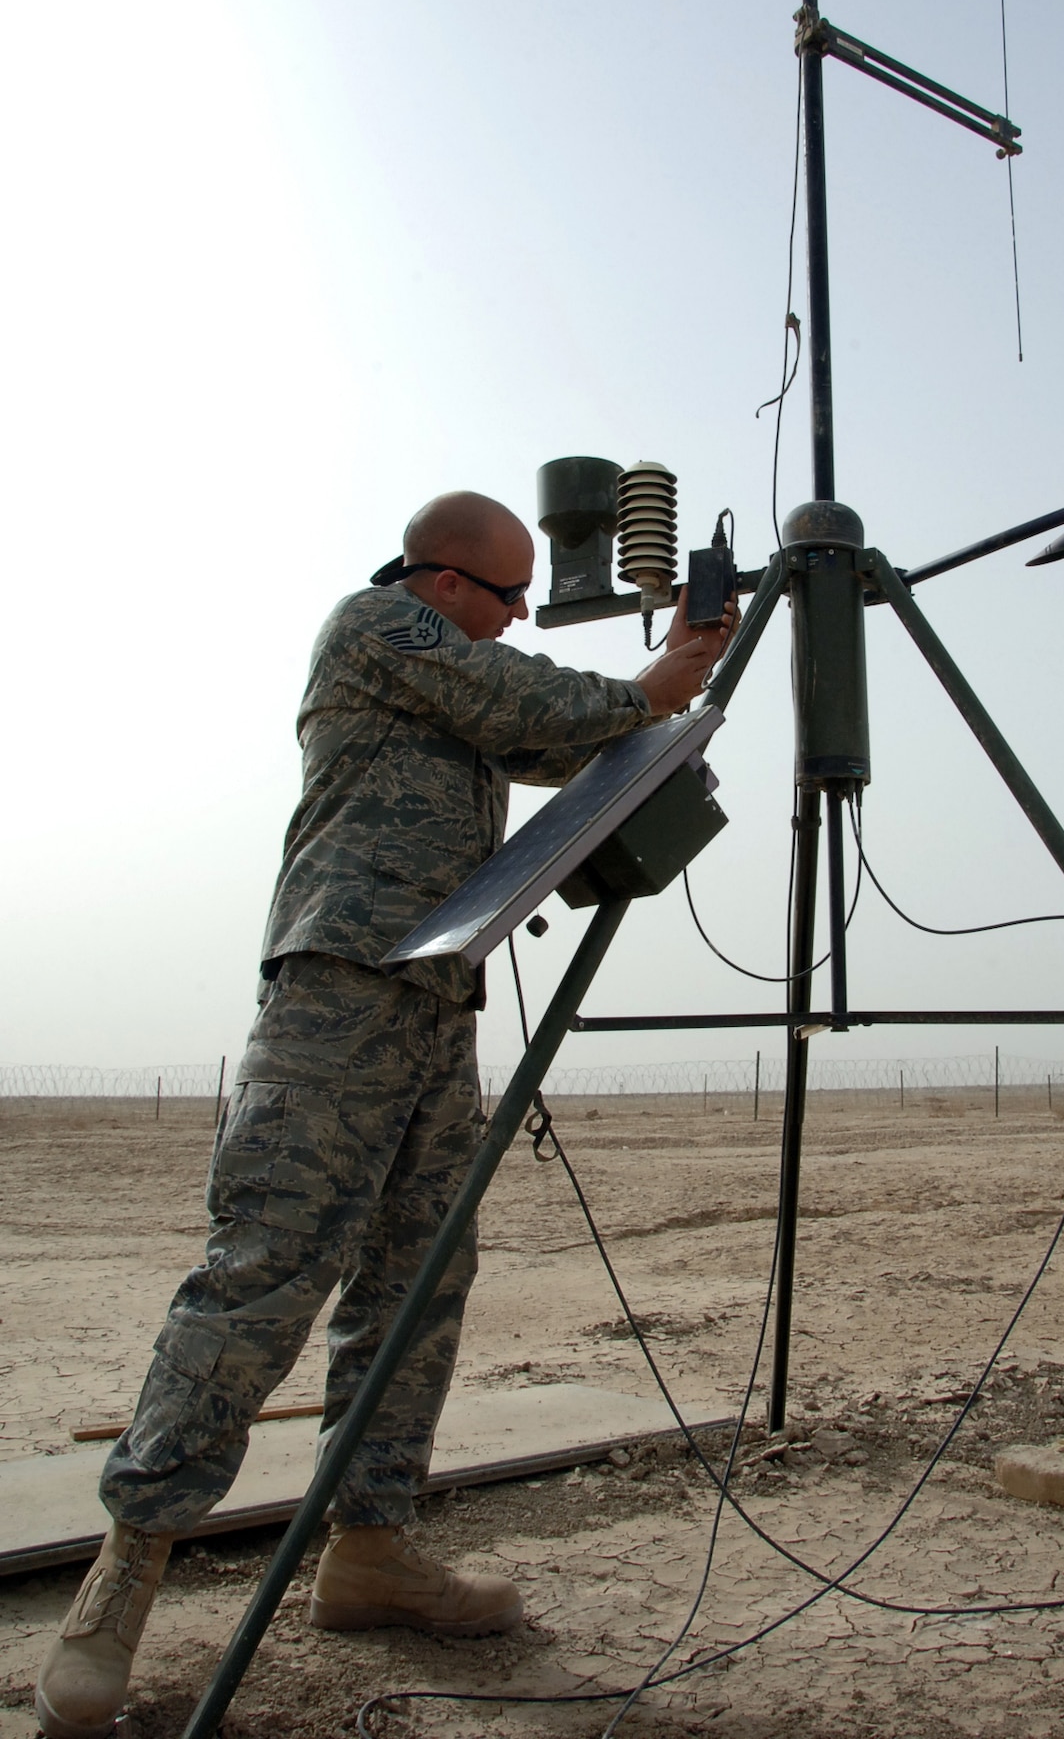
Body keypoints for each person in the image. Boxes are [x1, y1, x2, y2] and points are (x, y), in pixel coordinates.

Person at [36, 491, 732, 1739]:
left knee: (415, 1279)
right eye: (508, 597)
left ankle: (370, 1547)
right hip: (338, 991)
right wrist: (649, 679)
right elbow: (530, 703)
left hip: (437, 997)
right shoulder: (373, 630)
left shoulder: (461, 689)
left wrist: (669, 689)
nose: (520, 619)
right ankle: (123, 1576)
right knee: (262, 1272)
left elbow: (556, 739)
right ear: (444, 582)